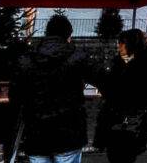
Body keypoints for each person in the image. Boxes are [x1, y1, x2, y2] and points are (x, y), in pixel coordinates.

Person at [10, 14, 103, 163]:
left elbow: (15, 96)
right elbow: (103, 80)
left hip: (36, 133)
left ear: (47, 33)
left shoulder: (26, 60)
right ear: (68, 35)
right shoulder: (77, 57)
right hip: (69, 133)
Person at [94, 29, 147, 163]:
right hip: (116, 120)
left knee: (125, 155)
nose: (118, 46)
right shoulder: (118, 62)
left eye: (122, 43)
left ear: (131, 44)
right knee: (115, 155)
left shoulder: (145, 63)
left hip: (132, 121)